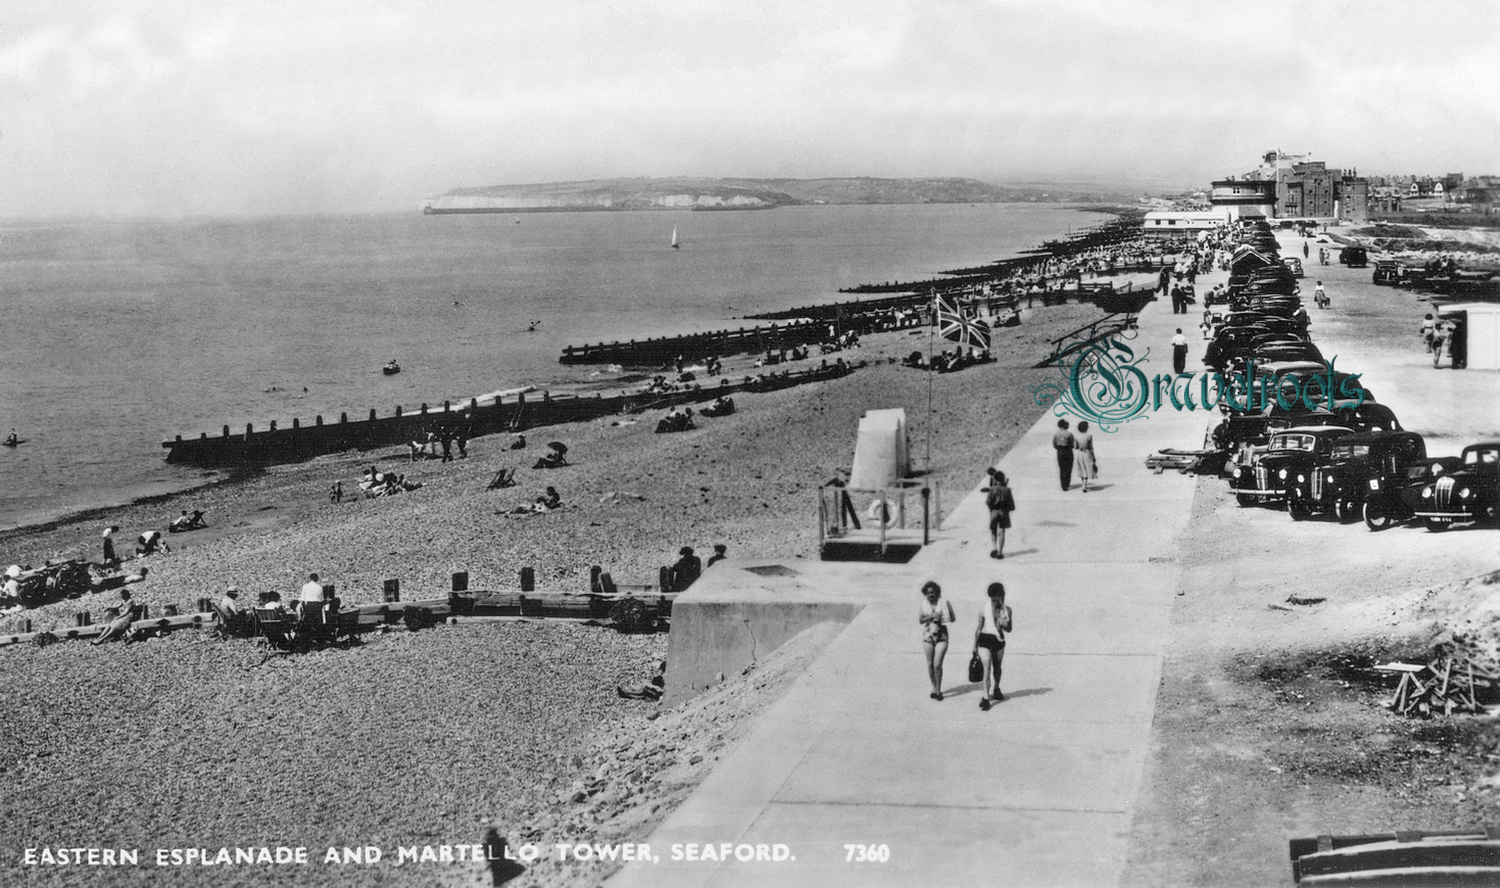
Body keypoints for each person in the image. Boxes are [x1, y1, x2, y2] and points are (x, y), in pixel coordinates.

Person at [972, 582, 1013, 710]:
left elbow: (1010, 629)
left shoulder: (1008, 610)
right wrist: (974, 646)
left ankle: (996, 688)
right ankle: (985, 698)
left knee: (997, 668)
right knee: (987, 669)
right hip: (985, 639)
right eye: (992, 599)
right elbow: (979, 628)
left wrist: (1005, 625)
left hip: (999, 641)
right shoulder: (983, 608)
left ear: (1001, 595)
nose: (995, 601)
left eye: (997, 598)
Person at [919, 581, 956, 701]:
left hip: (942, 633)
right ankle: (934, 688)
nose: (931, 594)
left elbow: (953, 617)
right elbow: (920, 620)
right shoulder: (924, 604)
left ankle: (939, 689)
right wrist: (931, 616)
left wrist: (943, 617)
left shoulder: (944, 602)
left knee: (937, 664)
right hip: (928, 634)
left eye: (933, 592)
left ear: (937, 592)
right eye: (929, 592)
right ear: (926, 593)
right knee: (929, 663)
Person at [985, 469, 1015, 560]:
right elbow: (1011, 505)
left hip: (994, 511)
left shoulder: (992, 489)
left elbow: (988, 502)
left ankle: (994, 547)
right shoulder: (1007, 490)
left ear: (995, 480)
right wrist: (1008, 510)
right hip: (1003, 512)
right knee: (1002, 532)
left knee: (993, 530)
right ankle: (1000, 553)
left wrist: (991, 509)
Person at [1074, 420, 1097, 493]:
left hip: (1080, 453)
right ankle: (1085, 484)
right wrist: (1094, 456)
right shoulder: (1089, 436)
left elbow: (1075, 446)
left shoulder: (1077, 436)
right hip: (1087, 453)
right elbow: (1091, 447)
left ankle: (1083, 483)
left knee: (1082, 468)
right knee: (1087, 468)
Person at [1052, 419, 1075, 492]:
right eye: (1067, 424)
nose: (1068, 425)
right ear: (1063, 425)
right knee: (1069, 468)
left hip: (1060, 451)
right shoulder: (1069, 434)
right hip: (1068, 451)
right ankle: (1067, 483)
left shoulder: (1056, 434)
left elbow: (1054, 444)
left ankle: (1063, 485)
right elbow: (1072, 444)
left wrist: (1059, 448)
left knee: (1062, 468)